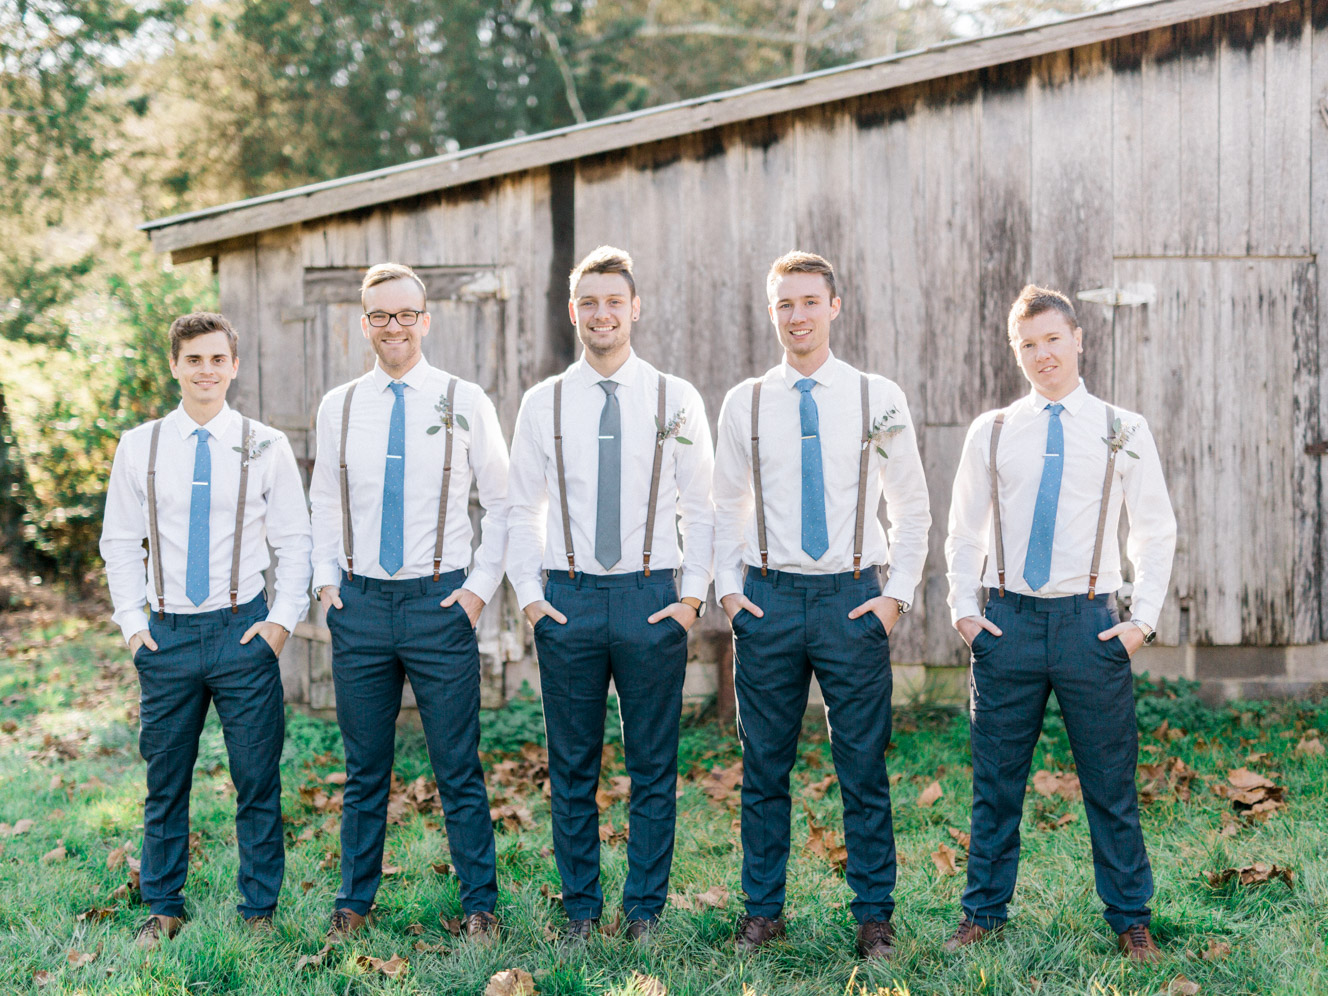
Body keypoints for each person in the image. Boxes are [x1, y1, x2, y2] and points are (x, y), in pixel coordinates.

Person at [943, 284, 1176, 961]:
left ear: (1078, 339)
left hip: (1089, 627)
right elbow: (964, 528)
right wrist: (964, 609)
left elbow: (1154, 529)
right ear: (1017, 354)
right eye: (1028, 345)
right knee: (996, 783)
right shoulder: (992, 430)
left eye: (1052, 340)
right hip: (1007, 624)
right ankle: (983, 913)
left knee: (1110, 782)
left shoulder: (1121, 428)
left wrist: (1142, 622)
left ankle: (1130, 916)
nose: (1042, 355)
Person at [712, 251, 930, 960]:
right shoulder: (744, 401)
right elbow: (721, 505)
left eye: (809, 301)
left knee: (862, 765)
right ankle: (762, 913)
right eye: (785, 304)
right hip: (768, 600)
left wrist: (895, 595)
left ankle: (873, 917)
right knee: (765, 766)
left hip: (851, 599)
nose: (797, 315)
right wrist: (731, 592)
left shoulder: (877, 398)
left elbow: (912, 504)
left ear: (835, 306)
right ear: (770, 312)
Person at [506, 246, 715, 941]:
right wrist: (533, 599)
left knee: (653, 764)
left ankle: (646, 909)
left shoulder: (673, 398)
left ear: (634, 308)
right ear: (574, 312)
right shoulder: (545, 402)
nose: (602, 313)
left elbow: (703, 506)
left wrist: (689, 600)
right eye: (588, 302)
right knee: (571, 766)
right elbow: (519, 509)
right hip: (567, 598)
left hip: (651, 597)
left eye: (613, 301)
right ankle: (580, 910)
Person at [308, 263, 509, 941]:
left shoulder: (463, 398)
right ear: (362, 323)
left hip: (439, 604)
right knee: (365, 768)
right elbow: (323, 502)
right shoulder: (338, 405)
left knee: (458, 764)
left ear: (426, 319)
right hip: (360, 606)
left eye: (404, 314)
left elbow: (505, 504)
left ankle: (479, 904)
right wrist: (326, 579)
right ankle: (353, 904)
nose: (392, 326)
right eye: (378, 315)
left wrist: (478, 590)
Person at [100, 312, 312, 947]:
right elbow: (118, 542)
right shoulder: (139, 446)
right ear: (174, 366)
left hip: (242, 631)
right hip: (165, 636)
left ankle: (258, 910)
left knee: (256, 777)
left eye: (218, 359)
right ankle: (162, 903)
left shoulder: (265, 444)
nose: (206, 371)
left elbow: (295, 543)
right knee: (165, 780)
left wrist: (279, 623)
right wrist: (134, 628)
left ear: (234, 366)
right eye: (194, 359)